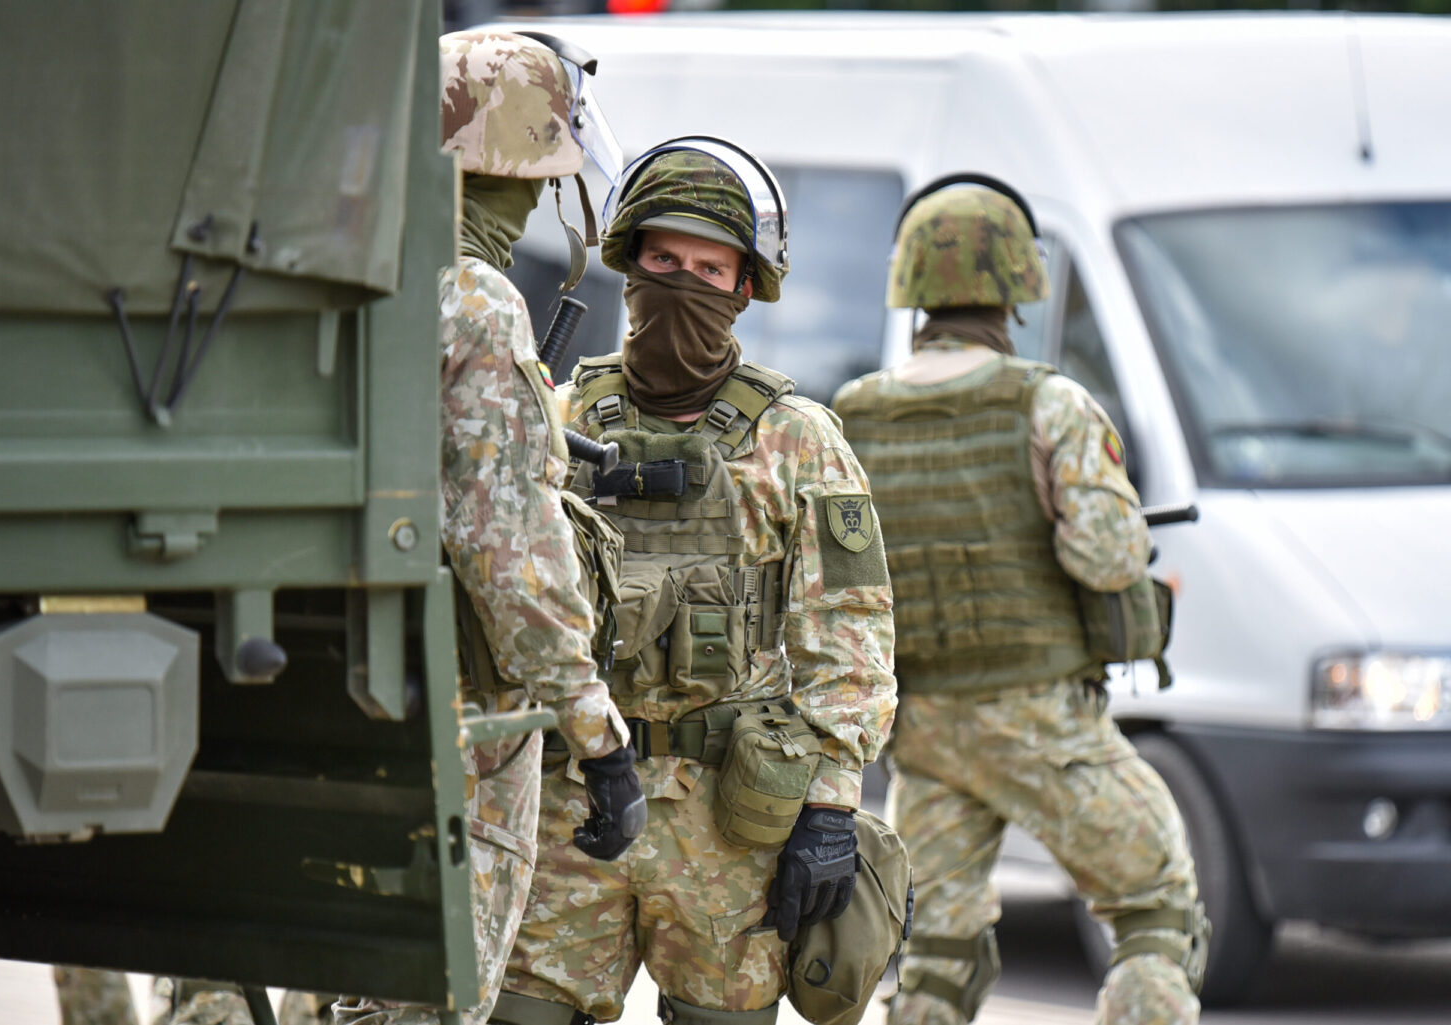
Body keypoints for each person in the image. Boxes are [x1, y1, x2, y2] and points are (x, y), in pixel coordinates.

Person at [490, 137, 897, 1025]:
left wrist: (831, 807)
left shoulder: (799, 439)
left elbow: (850, 641)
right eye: (665, 261)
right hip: (573, 805)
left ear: (744, 287)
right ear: (629, 265)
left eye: (709, 269)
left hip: (732, 822)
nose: (685, 284)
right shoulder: (559, 415)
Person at [830, 176, 1208, 1025]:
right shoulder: (1050, 401)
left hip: (923, 728)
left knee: (937, 954)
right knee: (1156, 906)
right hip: (1043, 721)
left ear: (911, 282)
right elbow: (1109, 556)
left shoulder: (855, 412)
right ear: (1016, 282)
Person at [329, 28, 643, 1025]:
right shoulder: (474, 299)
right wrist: (596, 731)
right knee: (430, 998)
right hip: (447, 720)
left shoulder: (335, 280)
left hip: (320, 690)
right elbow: (508, 547)